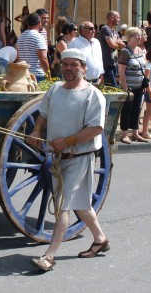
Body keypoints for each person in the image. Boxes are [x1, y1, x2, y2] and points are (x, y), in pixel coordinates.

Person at [27, 48, 109, 272]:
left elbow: (95, 129)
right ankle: (100, 239)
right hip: (57, 158)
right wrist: (36, 131)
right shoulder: (54, 89)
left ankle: (49, 256)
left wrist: (67, 141)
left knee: (63, 207)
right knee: (81, 205)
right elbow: (43, 114)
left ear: (84, 68)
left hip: (79, 157)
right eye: (65, 64)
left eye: (74, 65)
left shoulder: (93, 95)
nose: (69, 69)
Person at [117, 27, 148, 144]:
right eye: (137, 36)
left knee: (137, 109)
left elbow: (144, 67)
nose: (140, 37)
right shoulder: (125, 52)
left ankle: (135, 132)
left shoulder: (140, 51)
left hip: (140, 86)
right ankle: (124, 134)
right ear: (129, 38)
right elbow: (121, 71)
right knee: (127, 110)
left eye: (140, 35)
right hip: (129, 87)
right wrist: (125, 87)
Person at [17, 13, 49, 81]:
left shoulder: (20, 37)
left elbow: (18, 57)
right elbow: (43, 58)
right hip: (37, 74)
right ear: (39, 22)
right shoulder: (38, 37)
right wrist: (48, 73)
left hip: (24, 74)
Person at [98, 11, 125, 87]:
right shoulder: (105, 29)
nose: (119, 19)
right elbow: (112, 45)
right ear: (112, 18)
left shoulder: (115, 32)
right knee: (112, 86)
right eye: (118, 17)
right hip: (107, 63)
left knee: (113, 85)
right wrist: (119, 45)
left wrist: (119, 45)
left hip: (114, 63)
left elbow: (122, 44)